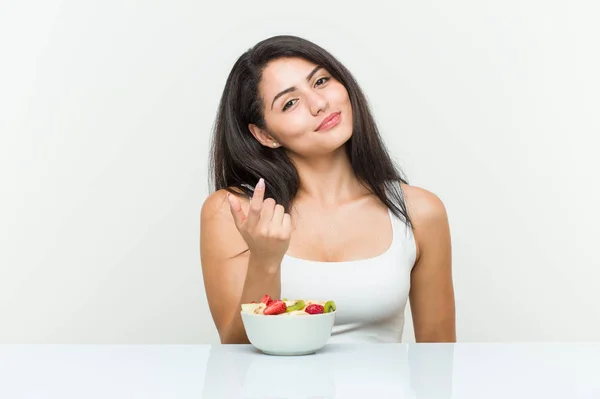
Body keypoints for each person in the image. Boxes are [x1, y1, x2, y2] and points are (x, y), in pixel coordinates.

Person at [200, 35, 455, 344]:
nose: (319, 104)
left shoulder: (420, 212)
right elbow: (235, 354)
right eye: (290, 103)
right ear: (265, 134)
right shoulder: (234, 212)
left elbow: (439, 359)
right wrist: (265, 262)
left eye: (321, 81)